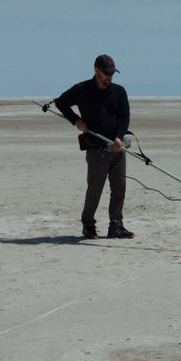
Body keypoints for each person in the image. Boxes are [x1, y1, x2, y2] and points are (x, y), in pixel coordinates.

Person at [54, 54, 134, 240]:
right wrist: (76, 121)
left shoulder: (119, 91)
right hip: (95, 149)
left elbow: (124, 117)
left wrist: (119, 137)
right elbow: (60, 102)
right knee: (95, 189)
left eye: (112, 73)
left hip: (117, 148)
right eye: (106, 73)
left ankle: (116, 227)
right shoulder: (82, 89)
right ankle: (88, 226)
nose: (109, 77)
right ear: (96, 70)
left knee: (119, 188)